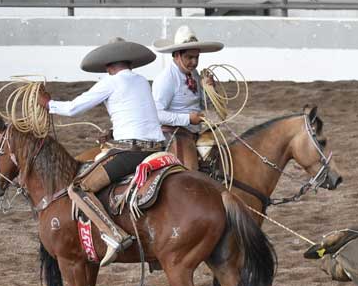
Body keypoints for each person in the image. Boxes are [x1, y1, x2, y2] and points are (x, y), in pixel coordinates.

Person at [36, 38, 165, 267]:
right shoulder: (142, 81)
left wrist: (48, 104)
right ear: (129, 63)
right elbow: (138, 115)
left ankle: (113, 234)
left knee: (79, 187)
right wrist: (114, 133)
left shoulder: (110, 82)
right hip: (158, 149)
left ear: (108, 66)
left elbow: (74, 108)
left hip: (131, 153)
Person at [152, 26, 224, 172]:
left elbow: (203, 104)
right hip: (173, 134)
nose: (194, 62)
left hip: (193, 132)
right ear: (177, 55)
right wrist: (187, 119)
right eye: (189, 57)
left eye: (196, 57)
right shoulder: (166, 79)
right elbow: (156, 114)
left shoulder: (194, 74)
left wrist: (209, 89)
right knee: (191, 174)